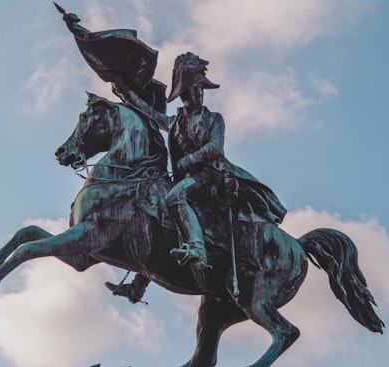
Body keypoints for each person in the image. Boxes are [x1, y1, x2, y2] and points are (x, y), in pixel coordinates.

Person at [106, 52, 286, 303]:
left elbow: (215, 148)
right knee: (154, 210)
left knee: (175, 197)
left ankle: (198, 250)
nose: (199, 93)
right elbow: (149, 113)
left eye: (201, 89)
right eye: (195, 89)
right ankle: (138, 285)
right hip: (189, 179)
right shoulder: (176, 121)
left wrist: (187, 161)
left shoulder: (214, 119)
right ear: (184, 92)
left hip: (211, 178)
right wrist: (125, 93)